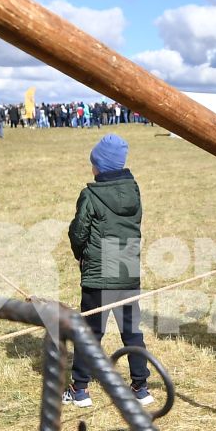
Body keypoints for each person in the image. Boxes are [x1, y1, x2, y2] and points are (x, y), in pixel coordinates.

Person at [64, 134, 154, 406]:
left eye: (93, 163)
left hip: (100, 275)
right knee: (132, 330)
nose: (91, 168)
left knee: (90, 332)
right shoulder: (134, 190)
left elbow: (79, 232)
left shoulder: (90, 194)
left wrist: (81, 255)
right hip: (127, 268)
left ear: (100, 166)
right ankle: (141, 386)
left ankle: (80, 389)